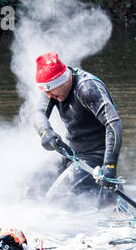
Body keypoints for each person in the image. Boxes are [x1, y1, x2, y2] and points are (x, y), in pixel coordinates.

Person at [32, 52, 122, 207]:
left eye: (52, 90)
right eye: (46, 91)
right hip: (73, 154)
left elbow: (114, 124)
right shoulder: (52, 89)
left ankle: (108, 205)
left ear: (64, 79)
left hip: (96, 158)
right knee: (34, 187)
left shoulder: (87, 88)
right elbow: (38, 114)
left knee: (55, 200)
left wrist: (110, 166)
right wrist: (46, 132)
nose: (48, 95)